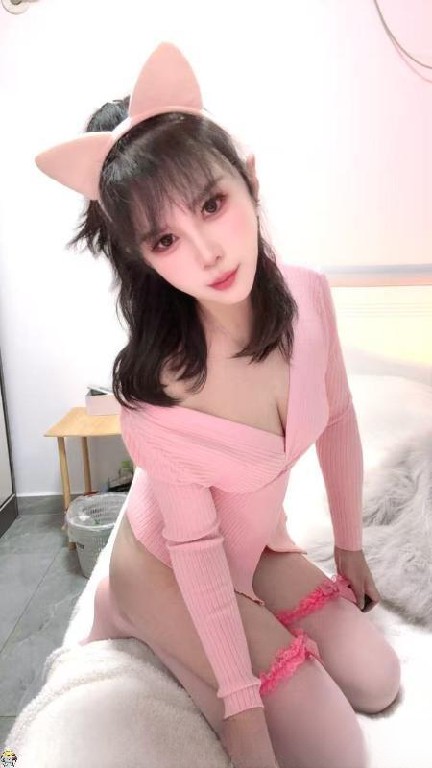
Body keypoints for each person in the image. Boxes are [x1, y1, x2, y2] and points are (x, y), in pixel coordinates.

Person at [35, 42, 401, 768]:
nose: (207, 251)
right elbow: (198, 550)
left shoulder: (309, 296)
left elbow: (336, 418)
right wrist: (241, 707)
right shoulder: (157, 396)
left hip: (255, 544)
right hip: (168, 567)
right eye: (167, 238)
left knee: (380, 677)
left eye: (212, 203)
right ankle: (125, 606)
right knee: (337, 750)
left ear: (248, 178)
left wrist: (351, 546)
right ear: (144, 259)